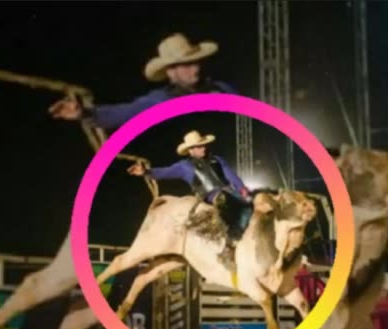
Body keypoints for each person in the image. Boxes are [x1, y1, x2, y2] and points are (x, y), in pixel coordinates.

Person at [48, 33, 237, 130]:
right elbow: (124, 112)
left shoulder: (222, 89)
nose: (195, 69)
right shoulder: (161, 100)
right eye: (186, 65)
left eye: (196, 62)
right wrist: (85, 113)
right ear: (170, 72)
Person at [128, 130, 252, 270]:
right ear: (190, 150)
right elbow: (165, 172)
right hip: (210, 196)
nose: (203, 148)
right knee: (226, 202)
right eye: (199, 146)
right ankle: (228, 249)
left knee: (252, 205)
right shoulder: (185, 166)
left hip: (230, 193)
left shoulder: (217, 160)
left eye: (203, 145)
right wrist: (146, 172)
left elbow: (232, 176)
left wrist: (243, 190)